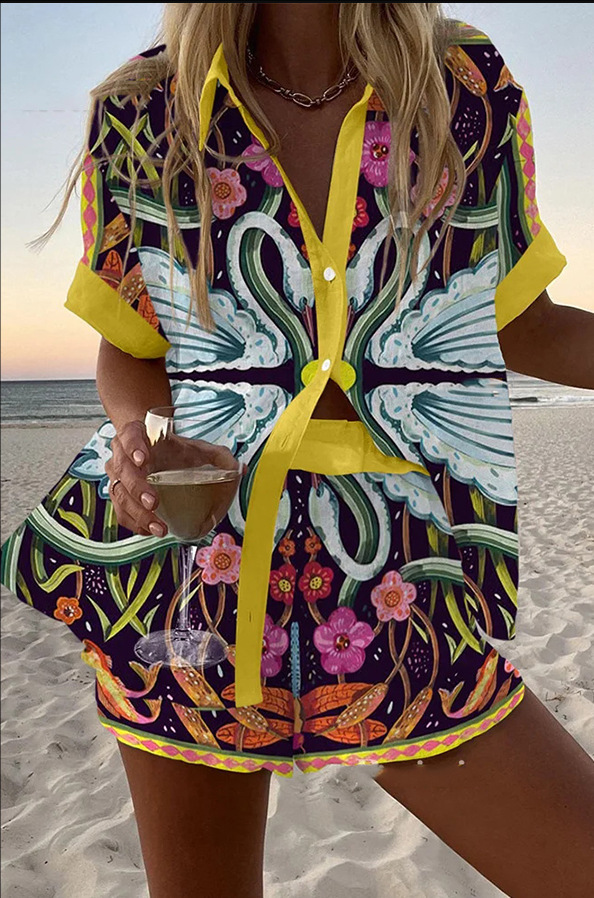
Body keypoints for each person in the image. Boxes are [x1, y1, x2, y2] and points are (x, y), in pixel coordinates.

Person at [2, 3, 594, 896]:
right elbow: (131, 344)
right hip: (191, 582)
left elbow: (522, 322)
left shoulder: (463, 86)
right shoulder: (144, 107)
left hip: (401, 573)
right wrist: (145, 439)